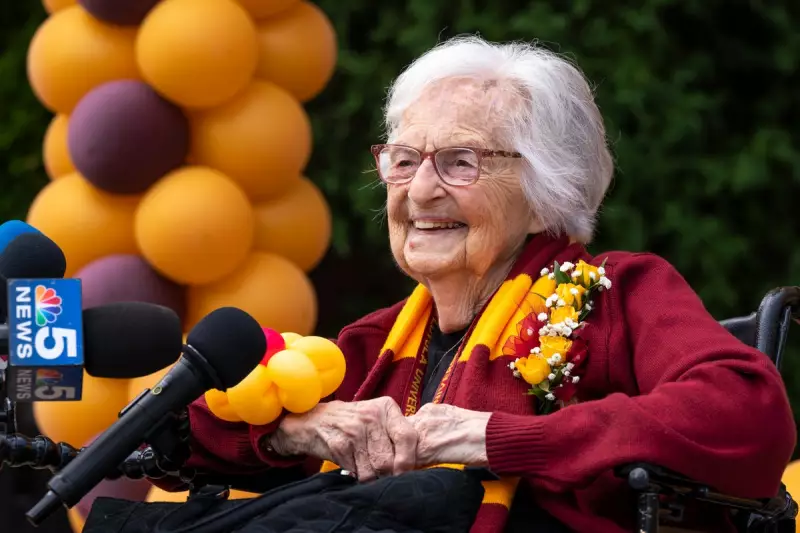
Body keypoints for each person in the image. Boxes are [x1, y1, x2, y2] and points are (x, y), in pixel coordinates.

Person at [170, 36, 797, 532]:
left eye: (460, 161)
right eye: (405, 159)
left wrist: (494, 438)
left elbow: (749, 415)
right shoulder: (377, 342)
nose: (419, 190)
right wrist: (295, 430)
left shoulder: (618, 295)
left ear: (548, 185)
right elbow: (179, 441)